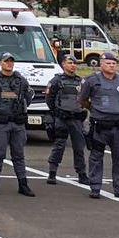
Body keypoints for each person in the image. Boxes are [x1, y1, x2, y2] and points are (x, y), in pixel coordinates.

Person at [80, 51, 119, 200]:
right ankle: (95, 187)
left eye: (114, 63)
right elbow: (83, 100)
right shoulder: (92, 80)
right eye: (108, 63)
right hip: (100, 126)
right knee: (96, 157)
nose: (111, 66)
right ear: (101, 64)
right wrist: (95, 110)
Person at [0, 53, 35, 197]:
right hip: (1, 123)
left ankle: (23, 185)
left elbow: (28, 96)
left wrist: (20, 111)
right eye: (6, 61)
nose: (9, 64)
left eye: (11, 61)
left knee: (19, 155)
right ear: (0, 63)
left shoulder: (20, 80)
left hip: (17, 123)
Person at [45, 53, 89, 186]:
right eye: (70, 63)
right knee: (59, 146)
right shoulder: (56, 81)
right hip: (61, 118)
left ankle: (82, 174)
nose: (73, 65)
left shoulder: (81, 82)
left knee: (79, 148)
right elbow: (49, 98)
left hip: (76, 119)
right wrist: (56, 111)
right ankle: (52, 173)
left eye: (75, 63)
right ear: (63, 64)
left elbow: (86, 99)